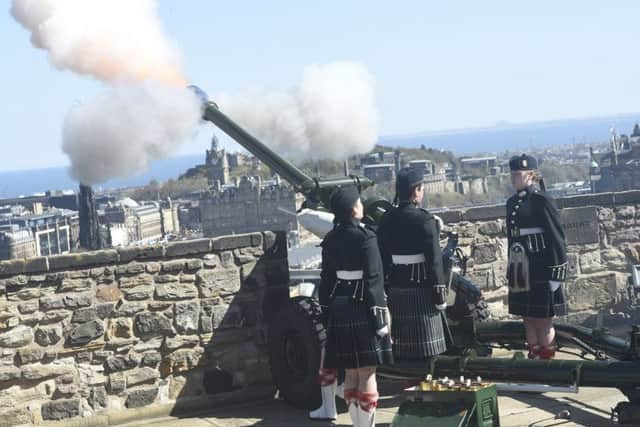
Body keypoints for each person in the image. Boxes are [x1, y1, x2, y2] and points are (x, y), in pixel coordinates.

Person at [318, 186, 393, 427]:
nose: (362, 205)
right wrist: (381, 318)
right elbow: (374, 279)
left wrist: (326, 310)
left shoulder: (330, 238)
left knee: (350, 373)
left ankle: (356, 424)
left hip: (340, 306)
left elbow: (326, 279)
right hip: (363, 307)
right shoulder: (366, 237)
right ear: (353, 209)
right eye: (359, 202)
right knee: (367, 373)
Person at [377, 167, 448, 361]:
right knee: (428, 352)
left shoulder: (386, 219)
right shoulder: (425, 220)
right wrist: (440, 296)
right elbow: (434, 262)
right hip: (422, 292)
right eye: (421, 188)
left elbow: (382, 259)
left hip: (397, 290)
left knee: (403, 350)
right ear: (416, 190)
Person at [507, 154, 568, 360]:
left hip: (541, 267)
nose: (513, 178)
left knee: (544, 321)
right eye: (512, 174)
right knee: (528, 318)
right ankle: (533, 364)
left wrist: (557, 272)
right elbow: (511, 239)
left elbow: (557, 237)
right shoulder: (511, 203)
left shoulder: (543, 200)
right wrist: (511, 270)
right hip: (521, 267)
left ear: (531, 175)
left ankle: (548, 364)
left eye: (517, 174)